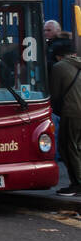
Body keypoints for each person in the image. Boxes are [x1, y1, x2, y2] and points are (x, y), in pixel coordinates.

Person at [50, 49, 81, 195]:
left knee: (68, 147)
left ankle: (77, 184)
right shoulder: (78, 64)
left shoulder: (59, 67)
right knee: (77, 146)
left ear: (58, 56)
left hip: (71, 112)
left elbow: (55, 94)